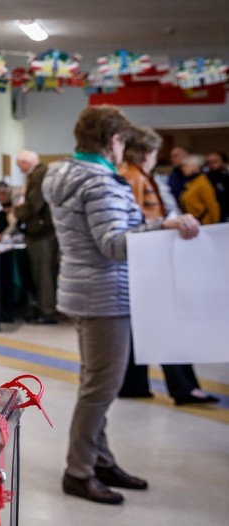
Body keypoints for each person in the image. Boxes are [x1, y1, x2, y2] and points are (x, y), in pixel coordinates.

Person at [43, 105, 200, 505]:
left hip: (81, 289)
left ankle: (101, 459)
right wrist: (159, 226)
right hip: (104, 294)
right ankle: (79, 471)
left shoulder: (62, 174)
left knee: (96, 380)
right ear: (113, 141)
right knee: (100, 388)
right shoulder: (102, 182)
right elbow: (114, 244)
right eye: (123, 143)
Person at [116, 126, 218, 405]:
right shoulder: (134, 178)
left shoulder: (139, 176)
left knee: (143, 324)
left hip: (144, 260)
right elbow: (139, 221)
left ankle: (133, 383)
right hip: (148, 259)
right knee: (166, 322)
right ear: (145, 152)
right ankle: (182, 387)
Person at [14, 149, 59, 324]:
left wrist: (16, 212)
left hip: (41, 234)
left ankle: (46, 311)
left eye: (20, 166)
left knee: (43, 274)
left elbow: (34, 203)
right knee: (46, 272)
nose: (20, 170)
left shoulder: (38, 175)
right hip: (47, 231)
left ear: (26, 163)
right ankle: (47, 308)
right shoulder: (44, 172)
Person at [179, 154, 221, 224]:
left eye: (186, 166)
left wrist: (215, 225)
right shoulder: (190, 183)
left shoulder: (203, 183)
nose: (183, 169)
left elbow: (212, 206)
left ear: (196, 167)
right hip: (192, 223)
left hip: (204, 224)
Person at [205, 151, 229, 222]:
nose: (211, 165)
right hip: (211, 217)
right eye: (209, 162)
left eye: (215, 162)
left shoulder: (227, 178)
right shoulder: (204, 178)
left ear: (224, 163)